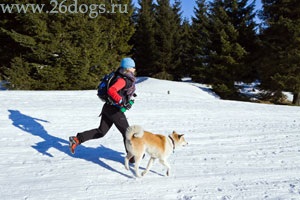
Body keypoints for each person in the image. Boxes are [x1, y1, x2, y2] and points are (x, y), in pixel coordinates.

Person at [69, 58, 137, 162]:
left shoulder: (122, 76)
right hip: (114, 110)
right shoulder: (123, 80)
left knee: (101, 131)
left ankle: (77, 139)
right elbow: (111, 90)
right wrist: (121, 102)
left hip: (108, 108)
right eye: (133, 67)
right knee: (127, 132)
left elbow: (121, 92)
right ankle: (132, 157)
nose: (134, 69)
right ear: (128, 68)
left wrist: (126, 100)